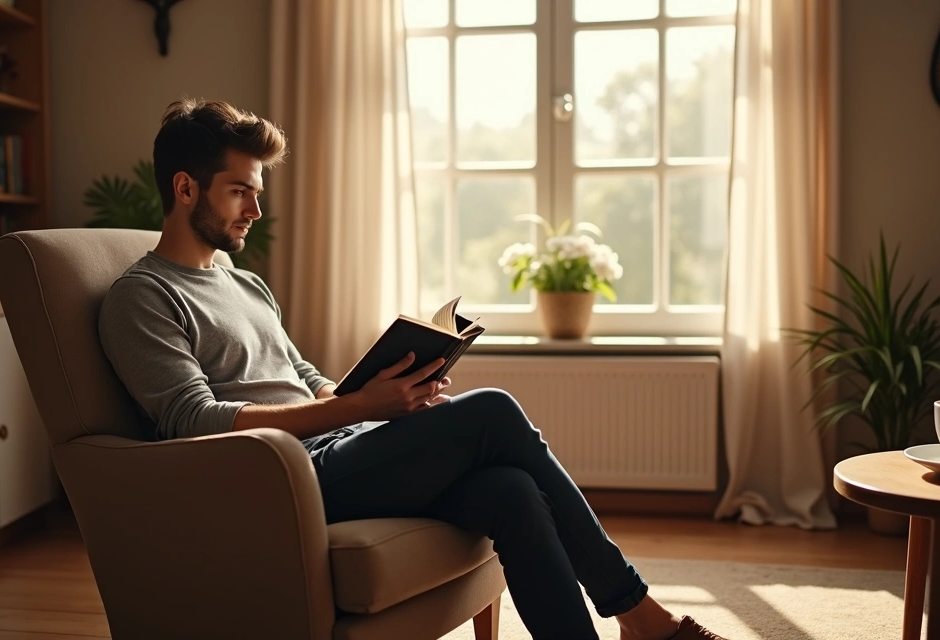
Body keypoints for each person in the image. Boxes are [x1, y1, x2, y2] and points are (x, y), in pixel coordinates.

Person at [98, 98, 727, 640]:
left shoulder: (245, 284)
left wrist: (385, 390)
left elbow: (301, 373)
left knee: (510, 490)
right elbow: (194, 423)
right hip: (276, 481)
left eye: (257, 194)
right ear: (185, 189)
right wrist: (359, 408)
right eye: (240, 191)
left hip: (341, 447)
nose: (254, 211)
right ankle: (639, 612)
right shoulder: (142, 297)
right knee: (494, 409)